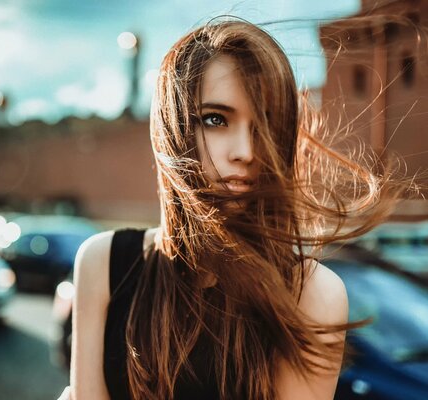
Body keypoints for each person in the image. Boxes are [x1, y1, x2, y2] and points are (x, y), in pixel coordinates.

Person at [65, 17, 407, 400]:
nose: (245, 152)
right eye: (216, 120)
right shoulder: (104, 264)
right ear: (174, 127)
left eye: (263, 125)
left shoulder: (312, 295)